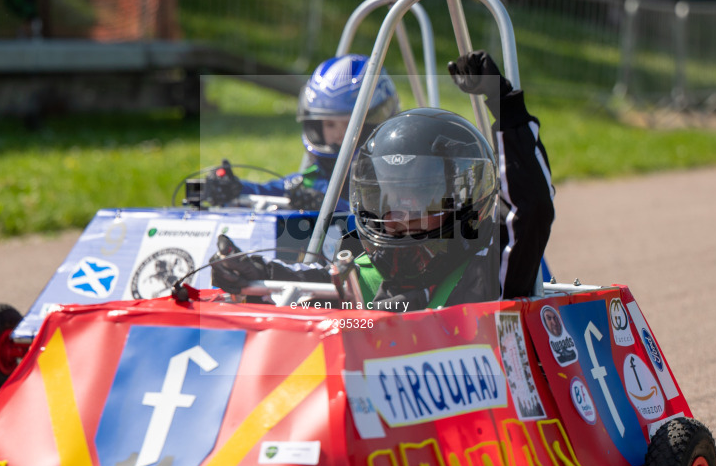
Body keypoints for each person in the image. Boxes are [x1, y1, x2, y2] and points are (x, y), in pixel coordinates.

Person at [210, 50, 555, 310]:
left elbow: (533, 206)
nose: (399, 213)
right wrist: (250, 273)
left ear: (463, 206)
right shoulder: (361, 270)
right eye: (388, 199)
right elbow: (299, 289)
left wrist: (505, 106)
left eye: (420, 198)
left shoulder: (488, 270)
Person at [202, 54, 400, 211]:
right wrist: (233, 187)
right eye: (330, 125)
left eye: (349, 125)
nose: (339, 135)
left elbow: (382, 223)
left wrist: (329, 207)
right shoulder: (316, 180)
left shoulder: (391, 180)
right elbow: (275, 190)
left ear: (374, 124)